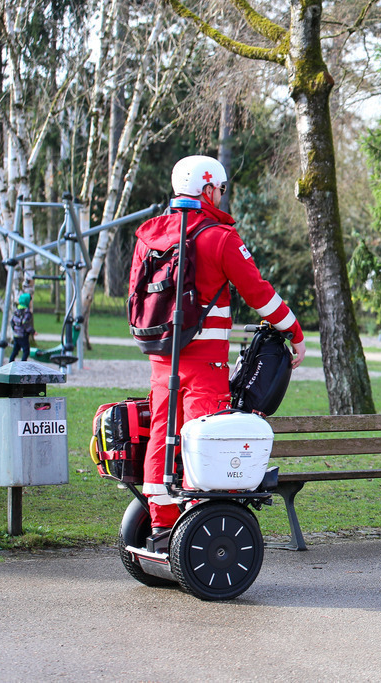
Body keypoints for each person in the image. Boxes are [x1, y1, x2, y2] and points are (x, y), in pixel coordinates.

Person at [129, 155, 307, 540]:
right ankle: (202, 519)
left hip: (162, 353)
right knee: (205, 436)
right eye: (221, 190)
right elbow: (259, 292)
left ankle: (161, 519)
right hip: (204, 359)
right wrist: (293, 331)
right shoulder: (218, 236)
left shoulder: (149, 236)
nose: (222, 197)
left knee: (163, 430)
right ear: (208, 189)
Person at [9, 292, 35, 362]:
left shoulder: (16, 310)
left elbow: (12, 322)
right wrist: (32, 331)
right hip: (23, 335)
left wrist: (15, 330)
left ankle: (10, 362)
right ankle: (22, 364)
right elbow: (25, 323)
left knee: (15, 350)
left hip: (16, 335)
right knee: (26, 351)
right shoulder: (27, 312)